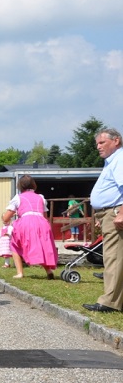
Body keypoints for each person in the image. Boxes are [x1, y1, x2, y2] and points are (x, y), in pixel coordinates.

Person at [83, 128, 123, 313]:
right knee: (114, 257)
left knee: (113, 257)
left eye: (102, 143)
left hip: (115, 213)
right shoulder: (112, 161)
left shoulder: (119, 159)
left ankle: (110, 303)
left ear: (116, 141)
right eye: (97, 144)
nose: (98, 147)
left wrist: (120, 212)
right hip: (109, 213)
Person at [1, 175, 57, 280]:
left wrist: (6, 218)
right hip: (42, 223)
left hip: (26, 222)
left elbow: (6, 218)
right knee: (42, 247)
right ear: (33, 184)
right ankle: (48, 270)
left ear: (20, 186)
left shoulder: (18, 197)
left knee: (15, 245)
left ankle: (20, 273)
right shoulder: (41, 197)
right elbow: (44, 215)